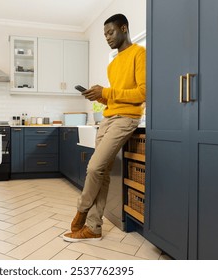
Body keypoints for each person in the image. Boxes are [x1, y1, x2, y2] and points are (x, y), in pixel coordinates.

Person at [63, 13, 146, 242]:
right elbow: (114, 98)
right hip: (108, 118)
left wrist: (106, 92)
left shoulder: (139, 53)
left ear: (124, 28)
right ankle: (94, 227)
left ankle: (81, 212)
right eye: (105, 35)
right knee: (103, 173)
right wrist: (99, 97)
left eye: (111, 32)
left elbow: (142, 93)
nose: (108, 38)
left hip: (126, 119)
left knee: (94, 168)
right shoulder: (113, 64)